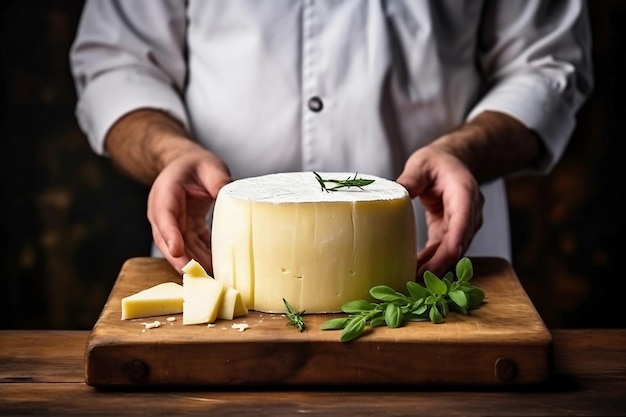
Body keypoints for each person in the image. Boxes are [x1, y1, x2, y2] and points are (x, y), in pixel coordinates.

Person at [69, 0, 593, 278]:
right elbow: (116, 61)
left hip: (425, 258)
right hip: (216, 257)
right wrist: (170, 151)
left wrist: (464, 150)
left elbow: (548, 63)